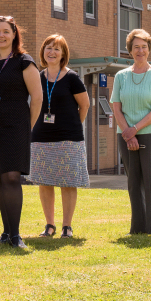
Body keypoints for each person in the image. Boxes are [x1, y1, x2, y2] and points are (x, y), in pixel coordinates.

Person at [0, 16, 43, 248]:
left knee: (12, 177)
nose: (1, 35)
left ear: (14, 34)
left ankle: (16, 236)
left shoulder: (24, 61)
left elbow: (37, 98)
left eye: (6, 31)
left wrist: (28, 126)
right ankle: (6, 233)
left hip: (15, 126)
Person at [29, 34, 90, 239]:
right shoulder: (37, 77)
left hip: (69, 138)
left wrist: (72, 125)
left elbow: (85, 105)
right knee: (45, 182)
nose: (51, 52)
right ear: (43, 52)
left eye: (56, 49)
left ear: (63, 54)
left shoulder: (72, 77)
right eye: (48, 48)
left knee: (68, 182)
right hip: (41, 137)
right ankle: (49, 225)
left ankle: (67, 226)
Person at [111, 28, 151, 236]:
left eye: (144, 47)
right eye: (136, 47)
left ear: (149, 49)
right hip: (125, 134)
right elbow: (116, 107)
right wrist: (128, 132)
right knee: (134, 182)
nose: (140, 51)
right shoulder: (121, 76)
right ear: (130, 51)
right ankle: (138, 229)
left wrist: (134, 129)